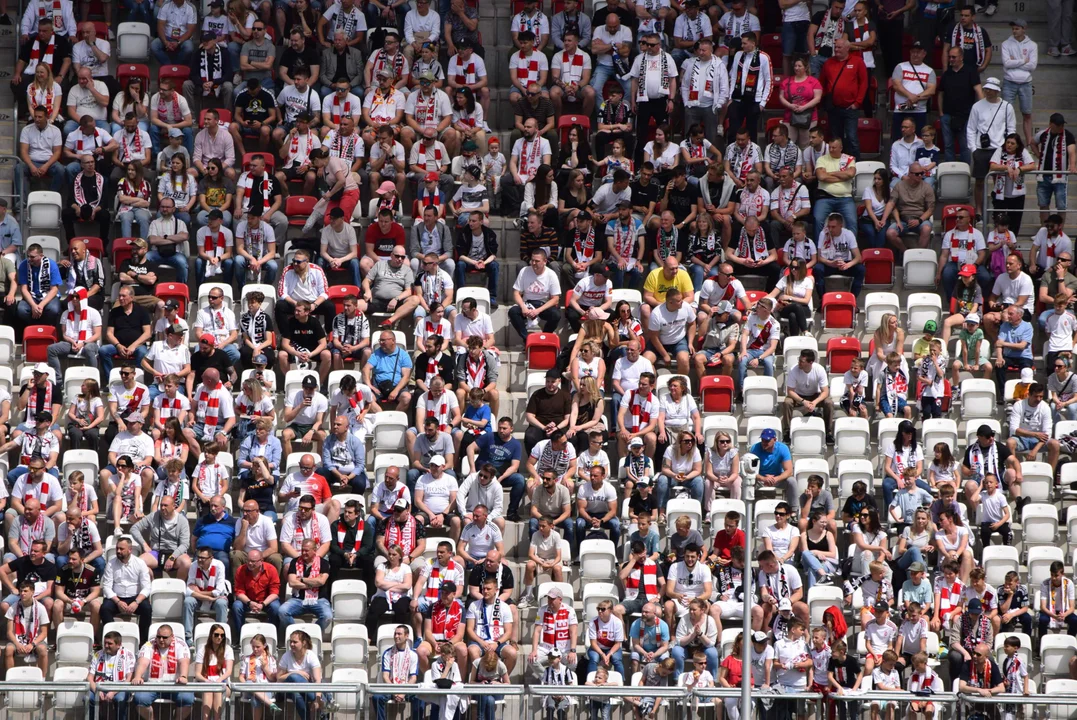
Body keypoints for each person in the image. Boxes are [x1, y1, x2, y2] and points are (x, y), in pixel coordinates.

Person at [99, 537, 153, 644]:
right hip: (116, 598)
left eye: (121, 549)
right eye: (117, 548)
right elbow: (106, 586)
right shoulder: (111, 563)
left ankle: (142, 642)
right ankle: (112, 639)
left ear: (130, 550)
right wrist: (117, 601)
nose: (118, 551)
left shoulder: (140, 563)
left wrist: (136, 602)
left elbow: (147, 587)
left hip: (135, 597)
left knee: (147, 609)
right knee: (104, 609)